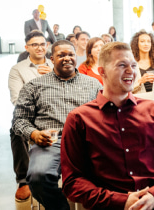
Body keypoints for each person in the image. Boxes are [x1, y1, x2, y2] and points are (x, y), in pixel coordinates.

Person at [61, 42, 154, 210]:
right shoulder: (79, 119)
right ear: (102, 71)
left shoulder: (153, 110)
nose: (131, 71)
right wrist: (121, 201)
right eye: (122, 65)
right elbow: (72, 181)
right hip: (107, 204)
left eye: (133, 65)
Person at [12, 40, 102, 210]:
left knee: (115, 170)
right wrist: (34, 134)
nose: (67, 58)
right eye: (61, 55)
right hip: (50, 142)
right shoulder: (34, 86)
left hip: (87, 141)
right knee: (38, 177)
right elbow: (19, 120)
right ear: (51, 59)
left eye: (70, 55)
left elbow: (105, 115)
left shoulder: (93, 84)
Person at [8, 30, 53, 201]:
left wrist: (51, 74)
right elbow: (17, 99)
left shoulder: (56, 66)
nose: (39, 48)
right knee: (16, 128)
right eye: (35, 45)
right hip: (31, 114)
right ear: (27, 47)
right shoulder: (17, 70)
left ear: (47, 45)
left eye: (42, 44)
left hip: (55, 110)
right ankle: (23, 179)